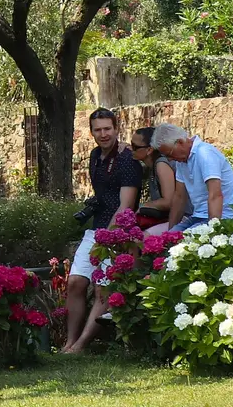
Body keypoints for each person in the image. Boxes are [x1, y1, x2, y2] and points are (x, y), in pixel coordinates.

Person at [62, 109, 143, 354]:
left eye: (107, 128)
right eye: (98, 129)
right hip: (96, 228)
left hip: (118, 232)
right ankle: (68, 342)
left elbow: (126, 204)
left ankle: (81, 345)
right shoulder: (95, 155)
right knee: (75, 282)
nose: (103, 134)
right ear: (92, 132)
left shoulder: (128, 159)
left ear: (116, 128)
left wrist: (108, 239)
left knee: (103, 287)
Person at [155, 122, 233, 230]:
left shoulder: (205, 153)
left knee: (181, 244)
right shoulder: (181, 161)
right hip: (198, 216)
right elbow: (179, 197)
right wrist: (170, 233)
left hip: (224, 217)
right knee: (168, 241)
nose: (170, 159)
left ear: (180, 142)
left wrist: (213, 231)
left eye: (169, 154)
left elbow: (215, 195)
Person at [130, 126, 180, 232]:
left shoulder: (161, 165)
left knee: (139, 238)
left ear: (149, 150)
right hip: (166, 218)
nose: (131, 149)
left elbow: (168, 202)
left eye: (135, 147)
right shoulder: (152, 165)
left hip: (180, 218)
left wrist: (143, 207)